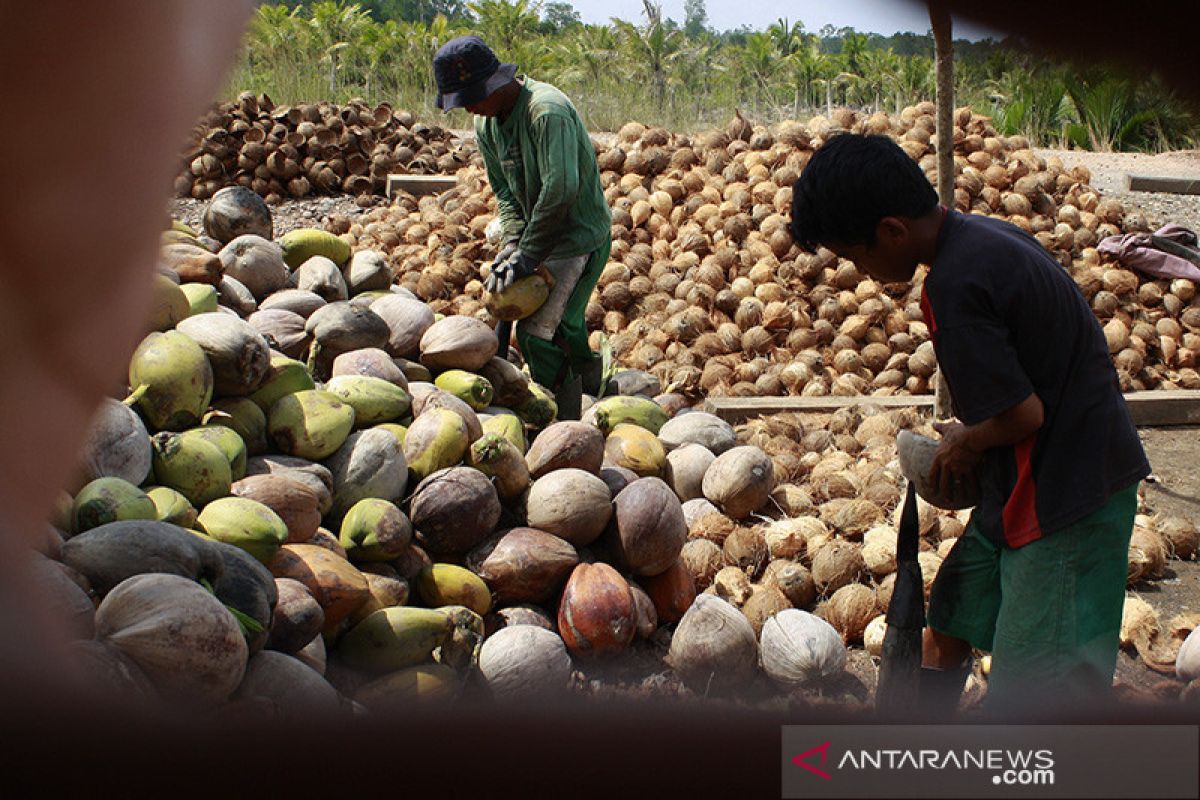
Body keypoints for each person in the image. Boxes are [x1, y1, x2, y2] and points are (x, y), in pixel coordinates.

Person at [788, 133, 1151, 717]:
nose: (860, 270)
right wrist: (976, 439)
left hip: (1068, 496)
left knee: (1040, 690)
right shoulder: (980, 236)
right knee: (952, 615)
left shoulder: (953, 285)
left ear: (892, 231)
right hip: (1032, 472)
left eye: (856, 256)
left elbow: (1022, 414)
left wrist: (967, 441)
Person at [431, 35, 611, 420]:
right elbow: (506, 194)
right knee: (501, 309)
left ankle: (563, 416)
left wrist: (528, 253)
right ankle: (584, 376)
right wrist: (513, 242)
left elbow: (561, 191)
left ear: (492, 85)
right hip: (536, 236)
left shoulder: (546, 112)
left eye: (469, 98)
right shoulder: (487, 125)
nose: (468, 110)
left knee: (541, 332)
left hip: (577, 237)